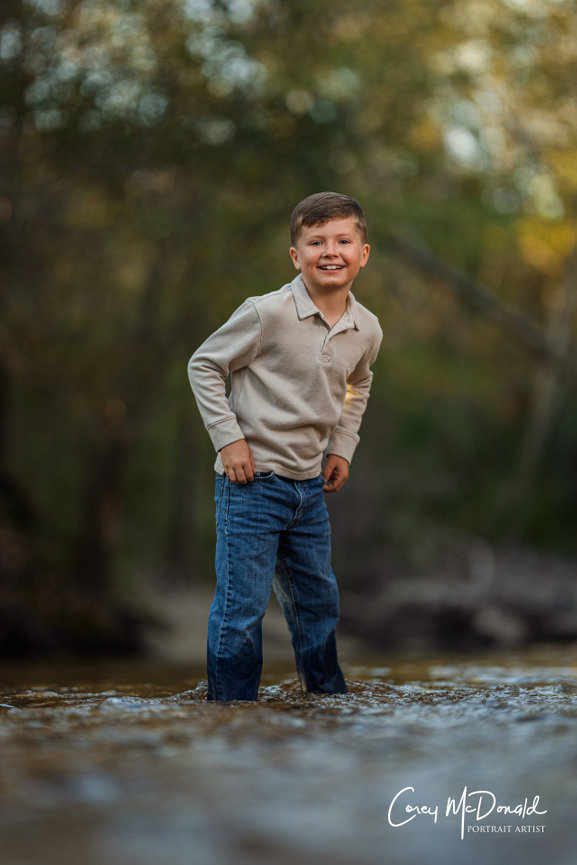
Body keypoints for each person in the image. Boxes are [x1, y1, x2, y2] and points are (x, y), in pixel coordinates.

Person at [187, 191, 382, 701]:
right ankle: (230, 710)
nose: (330, 251)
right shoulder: (266, 313)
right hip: (251, 485)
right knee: (241, 609)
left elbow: (358, 385)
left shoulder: (367, 329)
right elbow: (204, 365)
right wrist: (229, 439)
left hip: (309, 489)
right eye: (316, 241)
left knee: (318, 603)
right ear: (296, 256)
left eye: (343, 240)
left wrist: (342, 447)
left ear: (363, 254)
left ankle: (326, 703)